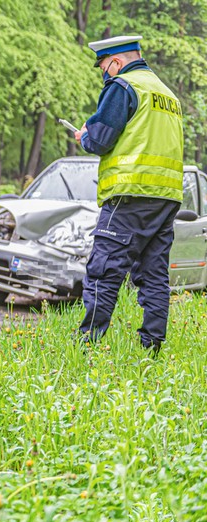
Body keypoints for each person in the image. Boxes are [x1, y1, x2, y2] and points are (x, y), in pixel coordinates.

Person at [74, 35, 184, 353]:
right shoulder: (168, 95)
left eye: (105, 67)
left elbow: (100, 140)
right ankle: (151, 348)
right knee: (154, 274)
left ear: (117, 62)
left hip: (130, 192)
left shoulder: (124, 86)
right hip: (166, 197)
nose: (105, 74)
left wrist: (84, 136)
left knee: (103, 269)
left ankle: (86, 346)